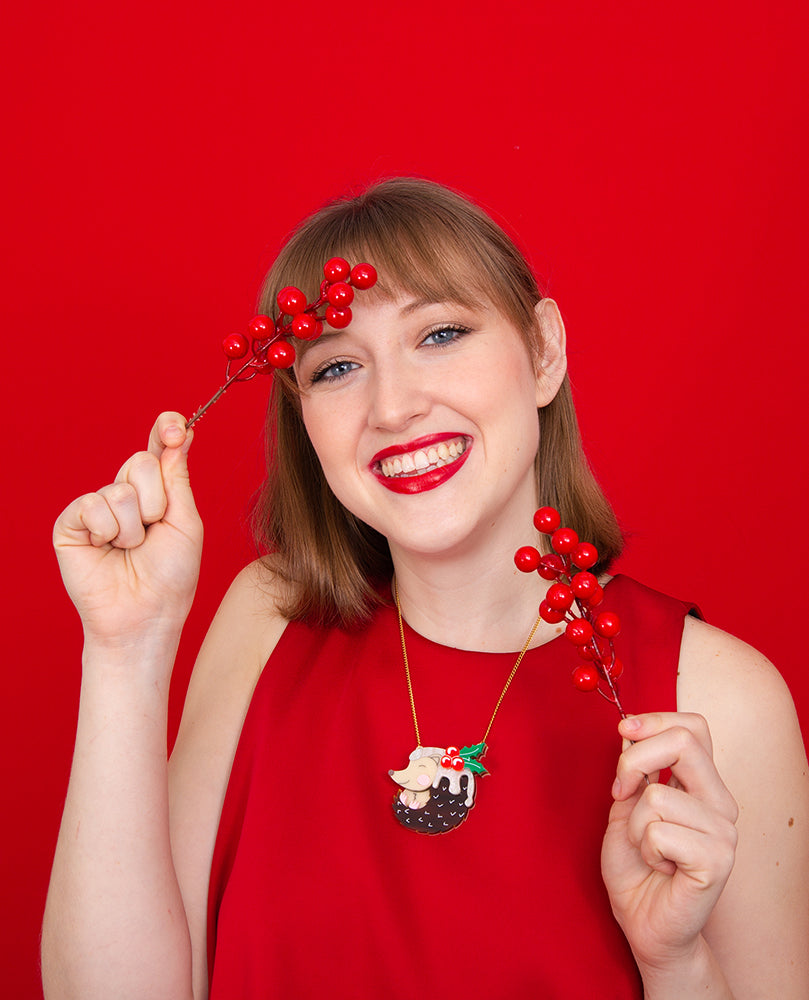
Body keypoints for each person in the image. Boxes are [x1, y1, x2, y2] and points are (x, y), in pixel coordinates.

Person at [42, 179, 809, 999]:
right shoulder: (266, 621)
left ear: (543, 350)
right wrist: (126, 647)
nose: (394, 406)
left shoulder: (721, 700)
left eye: (440, 333)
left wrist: (675, 965)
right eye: (337, 365)